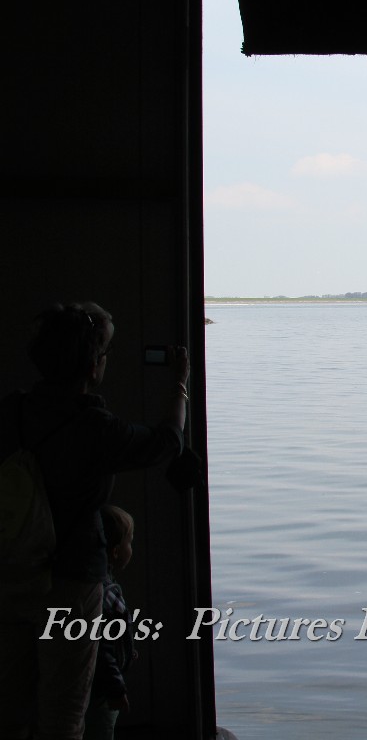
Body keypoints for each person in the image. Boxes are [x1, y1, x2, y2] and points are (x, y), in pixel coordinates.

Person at [0, 303, 189, 740]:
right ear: (92, 365)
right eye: (104, 353)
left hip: (10, 571)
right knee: (64, 713)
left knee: (10, 705)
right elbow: (166, 442)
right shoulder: (95, 428)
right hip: (72, 577)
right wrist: (180, 385)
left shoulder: (10, 412)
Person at [83, 505, 135, 740]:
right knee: (101, 730)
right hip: (102, 691)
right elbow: (102, 649)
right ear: (115, 552)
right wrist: (116, 688)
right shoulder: (107, 594)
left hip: (95, 684)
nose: (131, 548)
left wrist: (127, 650)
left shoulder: (98, 588)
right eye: (129, 542)